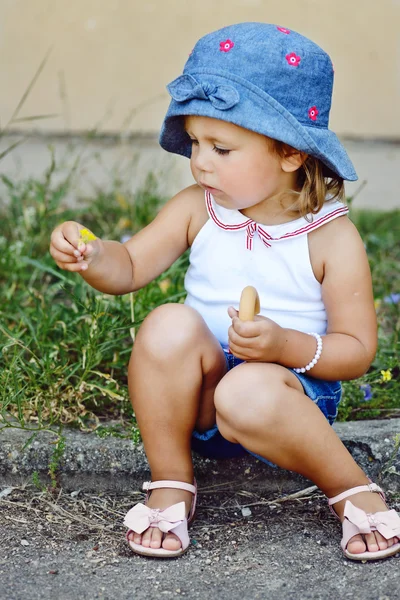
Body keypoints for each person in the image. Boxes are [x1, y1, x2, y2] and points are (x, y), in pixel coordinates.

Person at [49, 22, 400, 561]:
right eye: (194, 142)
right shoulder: (199, 207)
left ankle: (350, 488)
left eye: (222, 147)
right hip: (203, 398)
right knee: (167, 322)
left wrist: (285, 346)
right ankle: (171, 480)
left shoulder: (331, 236)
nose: (200, 161)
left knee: (250, 390)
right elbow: (131, 267)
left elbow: (357, 351)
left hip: (287, 402)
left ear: (290, 154)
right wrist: (94, 255)